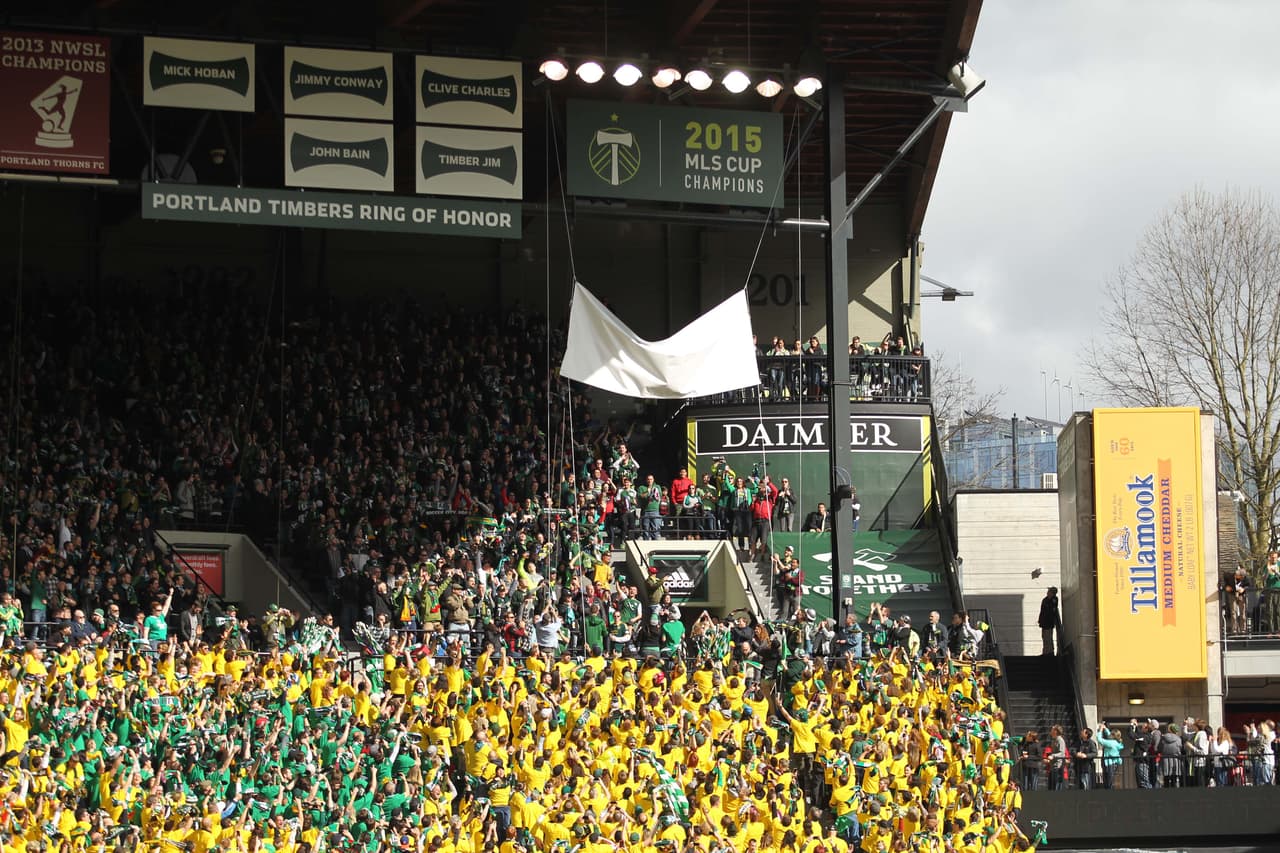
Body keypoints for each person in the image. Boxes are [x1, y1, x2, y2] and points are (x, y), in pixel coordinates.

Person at [1095, 724, 1123, 789]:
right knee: (1110, 778)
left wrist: (1100, 730)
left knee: (1108, 780)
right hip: (1114, 762)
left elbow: (1100, 740)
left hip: (1109, 763)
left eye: (1111, 734)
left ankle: (1108, 791)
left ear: (1113, 736)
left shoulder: (1111, 743)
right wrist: (1106, 729)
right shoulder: (1116, 742)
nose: (1109, 734)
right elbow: (1109, 735)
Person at [1038, 587, 1061, 656]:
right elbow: (1042, 611)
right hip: (1044, 622)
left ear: (1052, 593)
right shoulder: (1045, 600)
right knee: (1044, 637)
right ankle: (1045, 651)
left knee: (1048, 637)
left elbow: (1051, 611)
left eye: (1049, 591)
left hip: (1049, 622)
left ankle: (1050, 652)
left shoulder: (1054, 600)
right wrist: (1040, 620)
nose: (1047, 593)